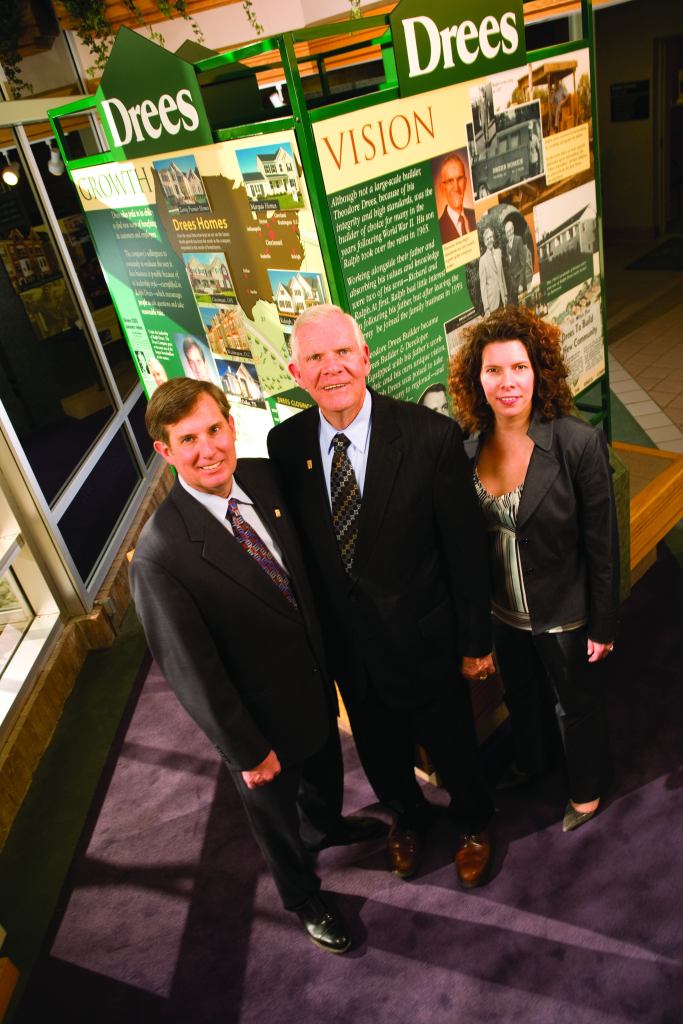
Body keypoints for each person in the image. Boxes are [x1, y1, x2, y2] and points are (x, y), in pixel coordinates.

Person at [130, 378, 386, 954]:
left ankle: (326, 828)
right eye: (188, 439)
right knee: (276, 821)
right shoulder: (160, 555)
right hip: (258, 722)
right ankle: (303, 897)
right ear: (165, 450)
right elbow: (192, 673)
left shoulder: (264, 477)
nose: (209, 449)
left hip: (314, 684)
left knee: (322, 769)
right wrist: (245, 749)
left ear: (230, 424)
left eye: (214, 429)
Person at [268, 304, 496, 889]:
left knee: (452, 741)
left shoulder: (429, 437)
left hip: (426, 638)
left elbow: (465, 551)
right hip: (350, 651)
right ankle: (409, 818)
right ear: (296, 372)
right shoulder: (285, 445)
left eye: (343, 352)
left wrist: (474, 641)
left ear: (365, 358)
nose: (332, 367)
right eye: (315, 358)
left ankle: (474, 823)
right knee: (379, 750)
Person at [448, 307, 619, 832]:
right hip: (505, 613)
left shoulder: (576, 443)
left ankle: (585, 790)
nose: (507, 382)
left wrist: (603, 623)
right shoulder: (468, 446)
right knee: (522, 696)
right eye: (493, 370)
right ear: (477, 379)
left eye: (518, 368)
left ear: (538, 371)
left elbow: (602, 543)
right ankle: (532, 762)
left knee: (574, 706)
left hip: (564, 612)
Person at [437, 155, 476, 244]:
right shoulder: (438, 231)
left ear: (465, 183)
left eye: (459, 179)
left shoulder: (475, 215)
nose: (456, 188)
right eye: (450, 181)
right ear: (443, 189)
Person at [479, 226, 508, 316]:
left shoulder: (498, 252)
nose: (490, 240)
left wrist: (505, 294)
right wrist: (486, 307)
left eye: (491, 237)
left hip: (502, 298)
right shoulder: (482, 260)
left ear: (493, 238)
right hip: (492, 303)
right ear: (484, 242)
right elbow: (483, 286)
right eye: (487, 239)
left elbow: (502, 275)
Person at [502, 218, 533, 301]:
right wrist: (513, 284)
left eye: (510, 230)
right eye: (507, 232)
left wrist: (521, 284)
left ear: (513, 229)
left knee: (527, 304)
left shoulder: (518, 239)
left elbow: (523, 264)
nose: (509, 233)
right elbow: (511, 266)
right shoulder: (507, 246)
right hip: (514, 285)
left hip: (521, 282)